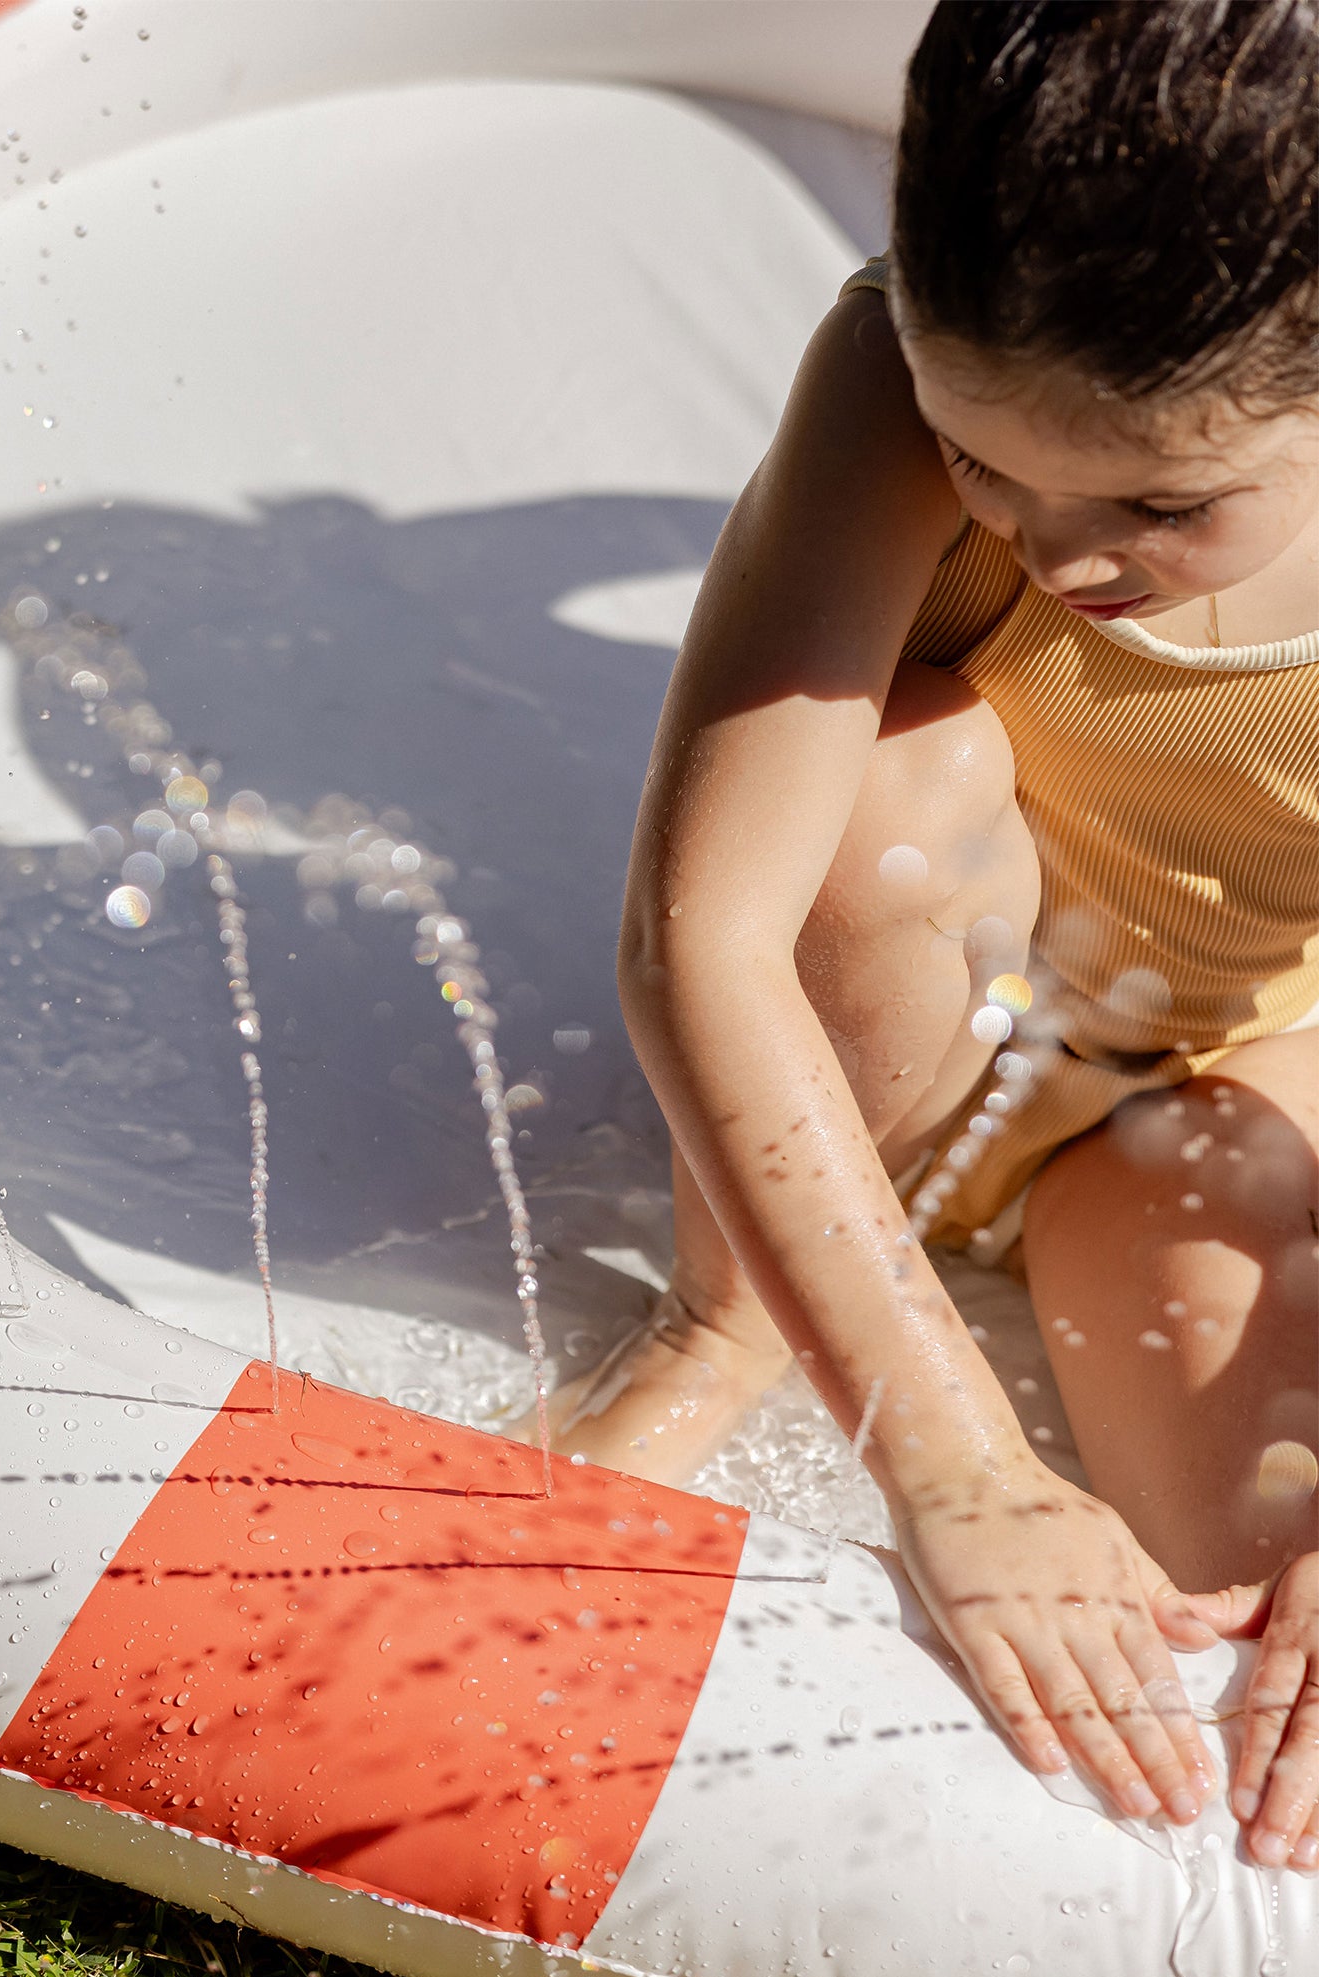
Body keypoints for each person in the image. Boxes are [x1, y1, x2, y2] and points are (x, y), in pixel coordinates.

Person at [552, 0, 1319, 1872]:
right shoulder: (887, 378)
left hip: (1218, 1081)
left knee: (1256, 1638)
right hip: (895, 1015)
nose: (1059, 556)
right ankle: (732, 1322)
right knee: (884, 798)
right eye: (991, 470)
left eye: (1157, 503)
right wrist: (949, 1457)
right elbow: (702, 939)